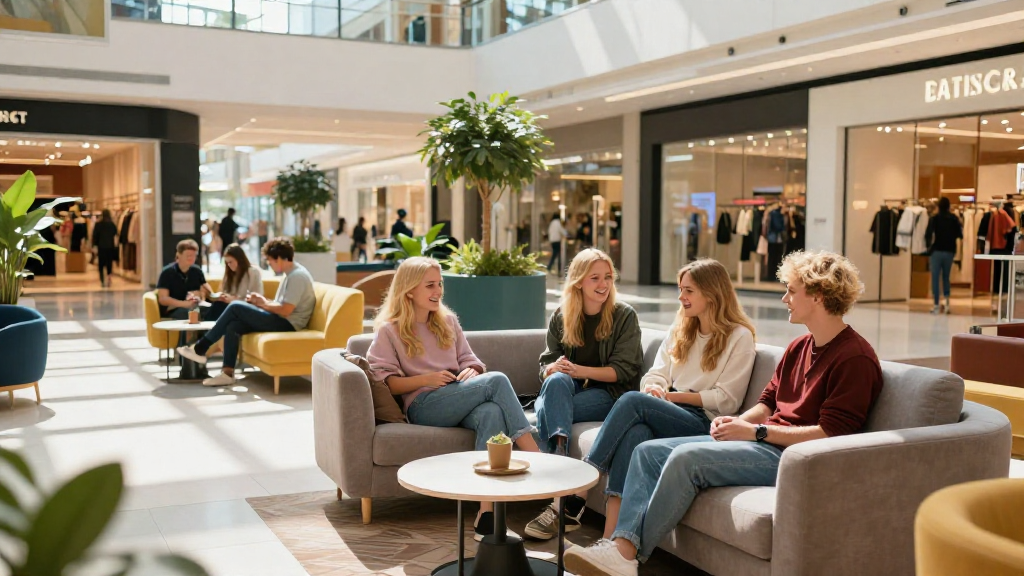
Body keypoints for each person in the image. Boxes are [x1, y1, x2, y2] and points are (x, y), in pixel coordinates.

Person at [564, 250, 884, 576]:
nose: (785, 298)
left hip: (793, 457)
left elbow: (833, 433)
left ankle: (625, 556)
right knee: (646, 452)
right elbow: (768, 403)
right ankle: (620, 551)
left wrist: (757, 432)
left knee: (685, 460)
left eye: (791, 290)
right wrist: (738, 422)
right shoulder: (800, 347)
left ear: (817, 296)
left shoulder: (854, 358)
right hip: (764, 443)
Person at [367, 256, 542, 541]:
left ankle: (486, 513)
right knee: (497, 381)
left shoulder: (447, 321)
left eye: (440, 284)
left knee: (490, 413)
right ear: (409, 290)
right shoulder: (390, 329)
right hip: (424, 405)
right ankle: (536, 456)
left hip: (458, 398)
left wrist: (471, 371)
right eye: (430, 286)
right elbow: (388, 383)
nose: (438, 291)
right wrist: (427, 379)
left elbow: (470, 361)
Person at [582, 259, 756, 541]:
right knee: (636, 433)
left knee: (631, 401)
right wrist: (654, 389)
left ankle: (584, 479)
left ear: (711, 294)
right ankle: (610, 538)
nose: (681, 297)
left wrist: (670, 396)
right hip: (669, 409)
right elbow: (655, 374)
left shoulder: (739, 337)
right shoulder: (681, 328)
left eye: (688, 291)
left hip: (703, 422)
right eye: (680, 289)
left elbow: (727, 401)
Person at [524, 248, 643, 540]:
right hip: (569, 392)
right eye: (595, 278)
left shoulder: (623, 316)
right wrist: (554, 368)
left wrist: (579, 370)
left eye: (608, 277)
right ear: (578, 282)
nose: (603, 284)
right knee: (554, 385)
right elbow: (545, 366)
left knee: (549, 406)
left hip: (610, 395)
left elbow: (623, 371)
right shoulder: (562, 315)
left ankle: (555, 487)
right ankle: (561, 462)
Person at [177, 237, 316, 387]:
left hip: (289, 323)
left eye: (270, 260)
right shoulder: (290, 275)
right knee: (233, 325)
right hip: (282, 318)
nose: (269, 264)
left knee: (235, 306)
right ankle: (227, 373)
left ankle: (200, 348)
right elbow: (281, 305)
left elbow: (286, 310)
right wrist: (262, 301)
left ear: (280, 258)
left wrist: (263, 304)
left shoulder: (297, 277)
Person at [925, 197, 962, 315]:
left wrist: (928, 247)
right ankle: (947, 304)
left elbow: (928, 234)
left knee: (935, 278)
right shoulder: (954, 219)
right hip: (950, 251)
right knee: (946, 277)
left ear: (938, 206)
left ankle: (936, 305)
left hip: (936, 251)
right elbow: (959, 235)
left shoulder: (934, 218)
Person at [207, 243, 263, 320]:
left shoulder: (252, 272)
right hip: (231, 307)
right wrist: (223, 297)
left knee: (218, 307)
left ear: (239, 259)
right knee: (216, 305)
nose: (229, 265)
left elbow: (256, 299)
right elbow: (226, 292)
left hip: (246, 308)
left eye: (231, 262)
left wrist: (234, 300)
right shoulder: (230, 274)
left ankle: (207, 331)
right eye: (227, 263)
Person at [92, 209, 119, 288]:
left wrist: (94, 245)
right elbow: (116, 234)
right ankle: (109, 277)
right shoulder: (112, 224)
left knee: (101, 264)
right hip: (110, 247)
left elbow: (95, 236)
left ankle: (102, 279)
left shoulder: (98, 224)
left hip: (101, 247)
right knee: (109, 263)